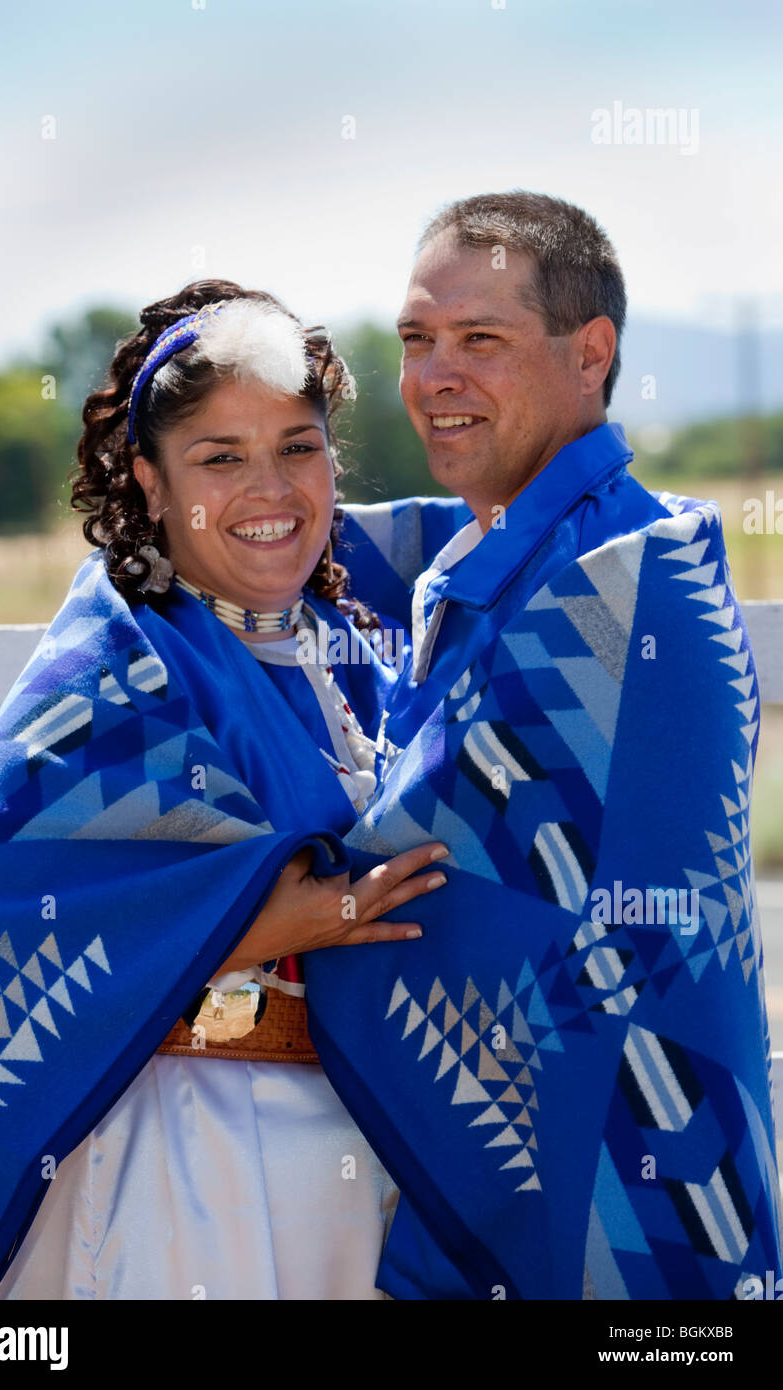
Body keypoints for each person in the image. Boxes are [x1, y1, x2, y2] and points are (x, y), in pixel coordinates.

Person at [0, 281, 451, 1300]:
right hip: (171, 1170)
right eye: (220, 458)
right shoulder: (109, 670)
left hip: (347, 1165)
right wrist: (268, 920)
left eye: (298, 447)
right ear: (150, 484)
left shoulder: (348, 658)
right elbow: (6, 913)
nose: (271, 489)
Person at [304, 192, 783, 1299]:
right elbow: (281, 543)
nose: (433, 377)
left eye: (480, 340)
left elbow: (413, 865)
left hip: (637, 1187)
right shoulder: (487, 551)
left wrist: (232, 895)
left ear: (590, 354)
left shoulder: (627, 586)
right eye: (415, 342)